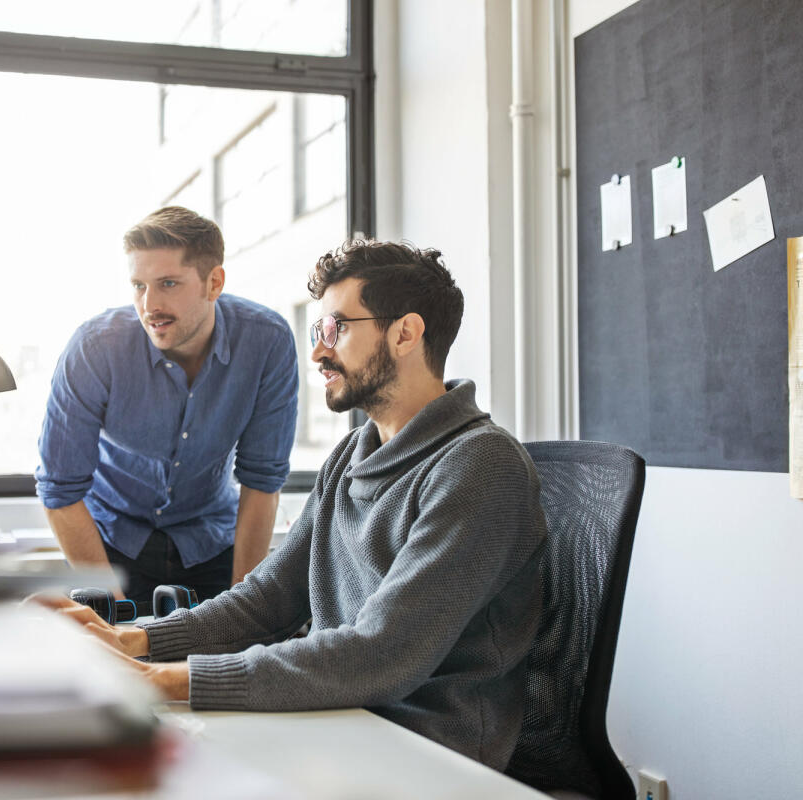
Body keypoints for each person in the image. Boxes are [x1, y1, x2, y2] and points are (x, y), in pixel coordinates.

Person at [35, 239, 548, 770]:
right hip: (342, 717)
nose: (319, 351)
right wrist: (131, 639)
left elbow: (380, 654)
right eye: (316, 331)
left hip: (426, 751)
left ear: (405, 333)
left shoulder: (479, 466)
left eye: (336, 329)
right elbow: (267, 599)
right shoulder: (353, 454)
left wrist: (161, 679)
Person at [35, 206, 298, 605]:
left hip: (212, 543)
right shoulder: (94, 348)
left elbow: (262, 481)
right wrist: (115, 613)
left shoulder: (267, 342)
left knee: (220, 661)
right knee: (122, 662)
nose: (149, 305)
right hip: (110, 546)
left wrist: (244, 610)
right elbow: (60, 489)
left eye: (168, 283)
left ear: (214, 282)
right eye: (138, 285)